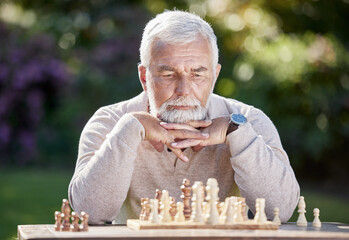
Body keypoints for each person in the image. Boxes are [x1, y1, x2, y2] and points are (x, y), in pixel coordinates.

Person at [68, 10, 300, 224]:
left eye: (197, 74)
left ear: (215, 75)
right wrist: (129, 129)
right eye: (168, 74)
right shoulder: (110, 121)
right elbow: (89, 213)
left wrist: (237, 132)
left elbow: (281, 210)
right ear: (144, 76)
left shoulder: (248, 120)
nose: (184, 90)